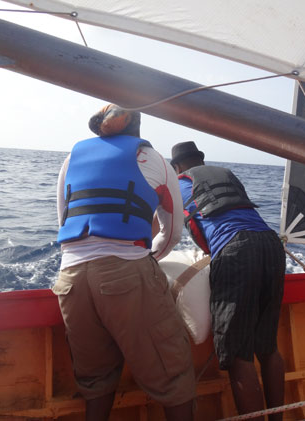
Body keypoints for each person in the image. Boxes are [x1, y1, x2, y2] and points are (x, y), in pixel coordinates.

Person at [53, 104, 195, 421]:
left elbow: (63, 218)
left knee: (95, 379)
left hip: (71, 279)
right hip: (126, 272)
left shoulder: (71, 158)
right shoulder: (153, 159)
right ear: (138, 127)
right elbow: (172, 232)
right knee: (173, 373)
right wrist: (145, 257)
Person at [170, 141, 286, 421]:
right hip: (271, 245)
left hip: (236, 252)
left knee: (237, 355)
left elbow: (187, 229)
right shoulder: (225, 174)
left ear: (177, 168)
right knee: (268, 347)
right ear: (201, 160)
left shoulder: (178, 185)